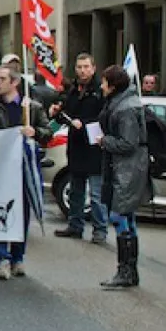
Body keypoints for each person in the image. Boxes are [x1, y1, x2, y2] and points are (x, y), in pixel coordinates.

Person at [0, 64, 52, 279]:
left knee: (21, 213)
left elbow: (48, 132)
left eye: (2, 79)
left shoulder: (31, 107)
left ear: (14, 82)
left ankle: (18, 257)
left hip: (23, 167)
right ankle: (1, 258)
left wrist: (35, 131)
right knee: (0, 211)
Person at [96, 65, 152, 289]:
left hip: (127, 171)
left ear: (112, 85)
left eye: (104, 82)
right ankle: (130, 270)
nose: (101, 86)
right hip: (125, 168)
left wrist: (104, 141)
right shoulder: (122, 103)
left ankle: (125, 270)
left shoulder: (125, 108)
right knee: (127, 217)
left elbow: (128, 143)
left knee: (120, 216)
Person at [49, 53, 109, 243]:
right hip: (76, 146)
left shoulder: (100, 90)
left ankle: (100, 230)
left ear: (93, 68)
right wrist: (58, 113)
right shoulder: (73, 89)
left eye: (86, 67)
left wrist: (83, 124)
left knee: (97, 194)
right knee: (76, 189)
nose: (83, 71)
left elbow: (105, 117)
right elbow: (66, 113)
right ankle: (75, 225)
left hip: (94, 146)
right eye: (79, 67)